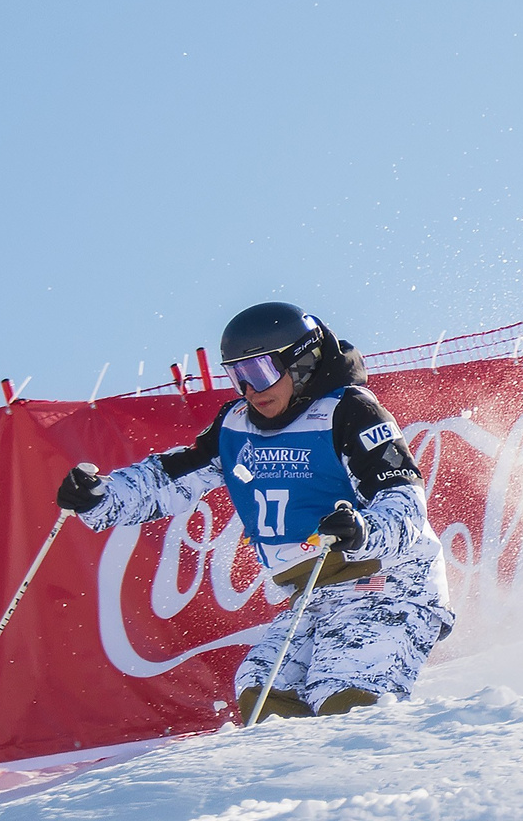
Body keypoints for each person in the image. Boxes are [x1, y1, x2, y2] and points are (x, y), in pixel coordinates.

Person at [55, 303, 454, 717]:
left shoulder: (347, 410)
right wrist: (102, 497)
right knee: (261, 690)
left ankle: (377, 772)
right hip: (314, 594)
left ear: (302, 361)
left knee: (343, 691)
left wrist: (363, 529)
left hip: (390, 584)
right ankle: (291, 781)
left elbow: (405, 501)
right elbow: (170, 478)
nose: (250, 390)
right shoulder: (235, 426)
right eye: (238, 375)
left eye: (261, 372)